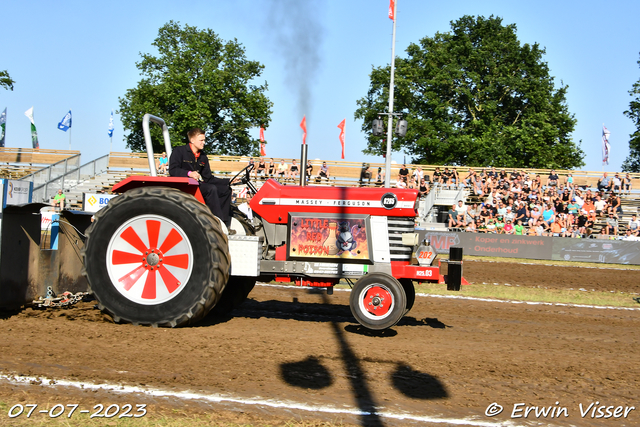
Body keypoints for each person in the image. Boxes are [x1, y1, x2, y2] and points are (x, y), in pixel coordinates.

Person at [169, 127, 235, 228]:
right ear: (192, 140)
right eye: (201, 140)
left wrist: (229, 181)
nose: (203, 142)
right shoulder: (179, 151)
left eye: (204, 140)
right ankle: (216, 223)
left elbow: (209, 178)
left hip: (196, 186)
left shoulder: (203, 156)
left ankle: (224, 223)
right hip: (183, 186)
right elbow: (173, 170)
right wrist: (189, 173)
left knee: (225, 189)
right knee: (210, 189)